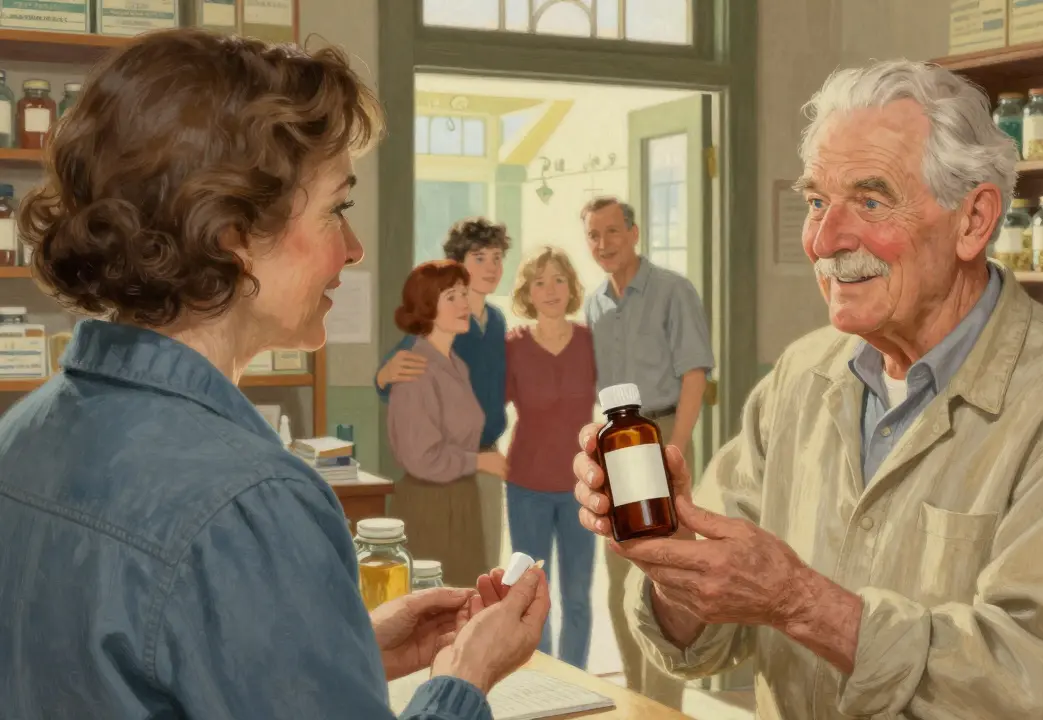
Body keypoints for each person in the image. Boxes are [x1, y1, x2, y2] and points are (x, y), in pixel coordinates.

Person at [572, 60, 1043, 719]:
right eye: (818, 202)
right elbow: (706, 641)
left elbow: (1031, 687)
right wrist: (671, 553)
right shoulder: (800, 375)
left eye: (871, 201)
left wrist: (798, 601)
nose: (825, 241)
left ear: (973, 221)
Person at [0, 29, 547, 720]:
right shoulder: (251, 502)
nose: (352, 250)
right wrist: (465, 677)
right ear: (232, 236)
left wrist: (340, 645)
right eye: (336, 209)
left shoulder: (23, 435)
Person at [578, 195, 714, 711]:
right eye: (593, 235)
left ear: (634, 234)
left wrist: (673, 450)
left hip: (661, 433)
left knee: (669, 577)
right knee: (620, 577)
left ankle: (665, 707)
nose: (603, 244)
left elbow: (695, 374)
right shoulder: (594, 303)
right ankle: (637, 701)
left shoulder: (673, 291)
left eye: (613, 232)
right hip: (615, 445)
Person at [376, 218, 510, 573]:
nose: (491, 267)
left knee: (482, 569)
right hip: (444, 475)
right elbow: (397, 376)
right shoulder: (428, 345)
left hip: (481, 464)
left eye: (497, 258)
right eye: (480, 258)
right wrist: (382, 376)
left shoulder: (494, 323)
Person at [503, 246, 598, 669]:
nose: (550, 289)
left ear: (572, 287)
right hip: (526, 486)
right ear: (527, 292)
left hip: (582, 486)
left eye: (558, 279)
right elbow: (484, 409)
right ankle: (540, 681)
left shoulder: (591, 342)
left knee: (577, 596)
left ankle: (577, 681)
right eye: (539, 282)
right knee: (531, 595)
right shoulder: (513, 345)